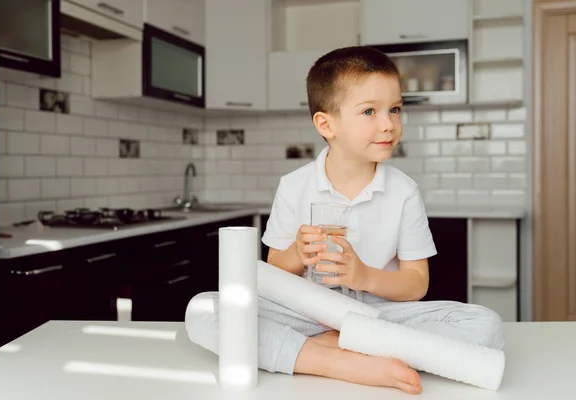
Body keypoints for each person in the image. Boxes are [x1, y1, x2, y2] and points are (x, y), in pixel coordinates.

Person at [185, 46, 504, 395]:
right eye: (370, 111)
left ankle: (335, 347)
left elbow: (416, 284)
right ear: (326, 124)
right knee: (205, 309)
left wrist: (364, 276)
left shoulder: (403, 191)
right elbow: (272, 270)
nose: (389, 124)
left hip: (379, 319)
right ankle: (336, 360)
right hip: (307, 316)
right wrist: (296, 253)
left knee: (485, 324)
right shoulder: (294, 186)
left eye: (395, 109)